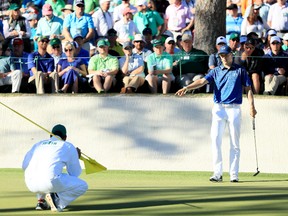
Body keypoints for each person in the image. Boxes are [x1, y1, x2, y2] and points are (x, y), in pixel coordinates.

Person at [175, 45, 257, 183]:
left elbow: (248, 89)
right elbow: (202, 81)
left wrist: (252, 106)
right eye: (221, 56)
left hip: (234, 108)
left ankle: (233, 174)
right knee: (215, 140)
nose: (224, 58)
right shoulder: (216, 71)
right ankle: (217, 173)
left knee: (235, 143)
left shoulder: (240, 70)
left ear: (232, 55)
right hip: (219, 108)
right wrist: (187, 87)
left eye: (226, 55)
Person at [22, 124, 88, 212]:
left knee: (41, 170)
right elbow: (74, 173)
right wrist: (76, 156)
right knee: (83, 185)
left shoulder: (38, 144)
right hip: (50, 183)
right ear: (65, 137)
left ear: (50, 135)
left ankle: (41, 202)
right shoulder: (67, 146)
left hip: (30, 183)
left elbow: (24, 166)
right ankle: (57, 201)